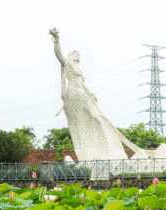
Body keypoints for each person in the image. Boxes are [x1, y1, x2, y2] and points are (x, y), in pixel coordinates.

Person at [50, 28, 129, 162]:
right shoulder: (68, 64)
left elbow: (82, 84)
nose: (76, 54)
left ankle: (102, 150)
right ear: (70, 56)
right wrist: (56, 40)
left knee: (95, 118)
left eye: (77, 53)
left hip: (82, 92)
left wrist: (90, 93)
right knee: (84, 119)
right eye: (73, 53)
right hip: (74, 94)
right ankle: (88, 150)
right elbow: (59, 55)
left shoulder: (78, 69)